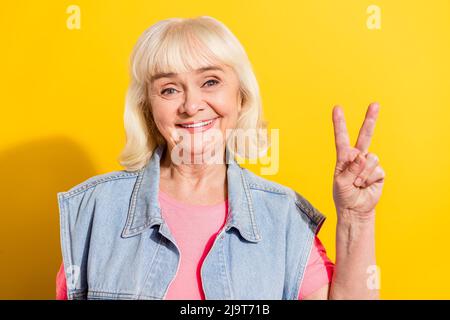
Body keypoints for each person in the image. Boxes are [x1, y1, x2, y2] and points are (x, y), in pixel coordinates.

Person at [55, 16, 384, 300]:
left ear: (241, 97)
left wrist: (357, 216)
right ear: (147, 107)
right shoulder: (95, 208)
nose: (191, 105)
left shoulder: (283, 217)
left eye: (210, 82)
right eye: (169, 89)